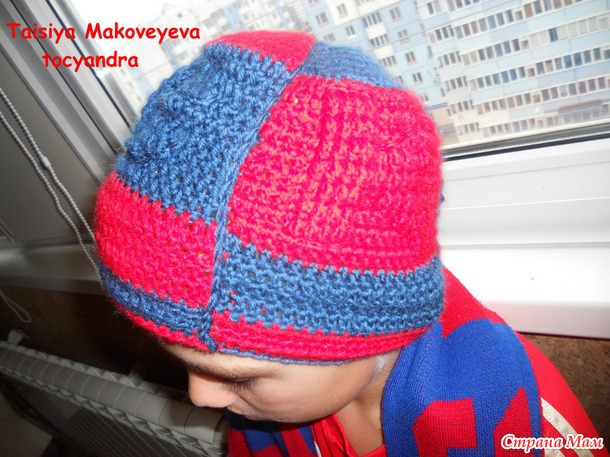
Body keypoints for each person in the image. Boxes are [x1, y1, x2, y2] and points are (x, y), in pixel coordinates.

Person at [94, 30, 607, 456]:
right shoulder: (274, 403)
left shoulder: (523, 430)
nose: (199, 397)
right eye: (185, 362)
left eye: (241, 378)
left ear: (369, 327)